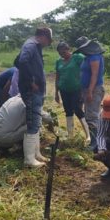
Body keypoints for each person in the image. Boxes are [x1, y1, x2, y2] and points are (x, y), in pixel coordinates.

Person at [15, 27, 53, 168]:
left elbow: (16, 61)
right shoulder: (30, 45)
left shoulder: (34, 46)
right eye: (48, 41)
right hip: (31, 91)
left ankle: (36, 154)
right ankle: (29, 159)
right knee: (32, 122)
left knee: (36, 122)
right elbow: (22, 62)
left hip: (36, 91)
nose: (47, 44)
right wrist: (31, 81)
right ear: (43, 36)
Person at [54, 41, 90, 141]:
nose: (62, 55)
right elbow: (57, 77)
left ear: (69, 50)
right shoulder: (58, 62)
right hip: (64, 90)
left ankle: (88, 135)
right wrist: (56, 92)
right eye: (60, 53)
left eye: (64, 52)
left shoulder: (77, 57)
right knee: (68, 111)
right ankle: (70, 136)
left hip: (76, 89)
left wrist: (86, 87)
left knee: (78, 110)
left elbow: (87, 68)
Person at [74, 36, 105, 151]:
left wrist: (90, 91)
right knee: (89, 116)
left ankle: (95, 144)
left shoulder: (95, 57)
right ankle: (94, 142)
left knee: (92, 116)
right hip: (87, 89)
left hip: (94, 89)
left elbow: (95, 75)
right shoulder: (88, 57)